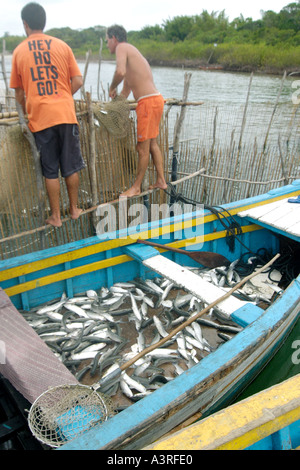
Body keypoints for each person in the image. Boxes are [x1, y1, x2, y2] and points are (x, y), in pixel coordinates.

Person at [10, 2, 85, 227]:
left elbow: (19, 94)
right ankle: (73, 209)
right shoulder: (62, 46)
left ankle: (55, 216)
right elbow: (78, 81)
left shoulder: (19, 51)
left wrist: (28, 111)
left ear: (25, 24)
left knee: (50, 169)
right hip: (65, 113)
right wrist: (61, 96)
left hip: (41, 118)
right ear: (44, 22)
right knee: (70, 165)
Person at [106, 25, 167, 198]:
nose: (108, 45)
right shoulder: (131, 54)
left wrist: (111, 86)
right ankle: (161, 180)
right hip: (155, 100)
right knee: (152, 144)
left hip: (148, 103)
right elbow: (125, 91)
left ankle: (136, 187)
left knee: (142, 148)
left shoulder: (122, 47)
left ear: (114, 38)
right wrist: (114, 105)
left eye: (107, 41)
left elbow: (119, 71)